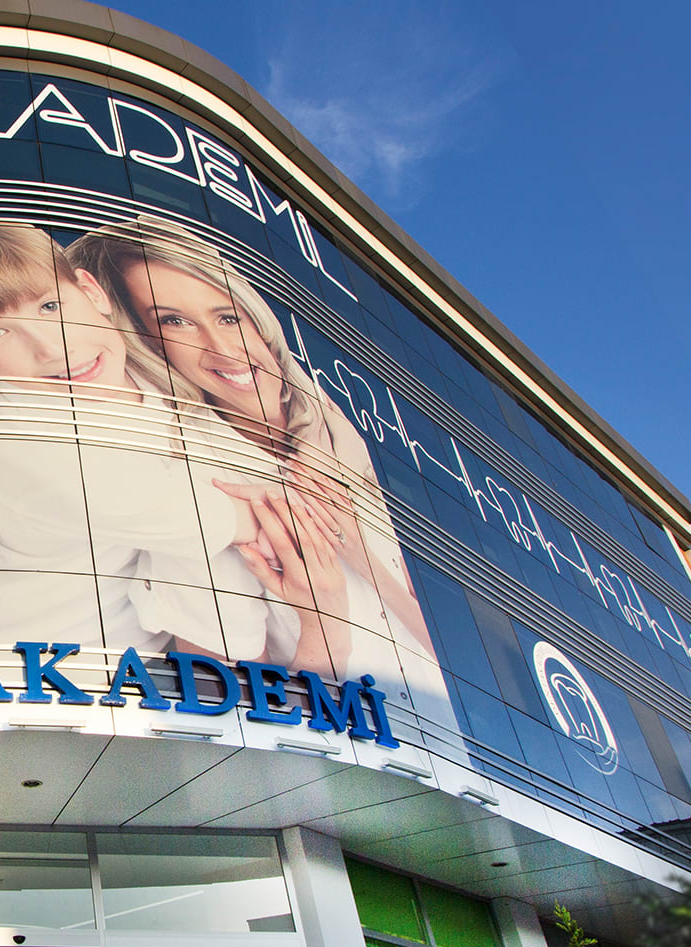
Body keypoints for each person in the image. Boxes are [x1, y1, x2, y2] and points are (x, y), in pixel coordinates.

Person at [0, 218, 275, 679]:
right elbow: (216, 521)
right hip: (41, 682)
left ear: (91, 291)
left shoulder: (143, 365)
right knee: (213, 545)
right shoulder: (11, 441)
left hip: (148, 660)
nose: (52, 348)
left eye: (50, 306)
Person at [68, 216, 444, 698]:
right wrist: (322, 622)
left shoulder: (328, 419)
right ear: (141, 342)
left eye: (227, 315)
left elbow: (457, 658)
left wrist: (356, 549)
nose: (223, 346)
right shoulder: (201, 492)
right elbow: (238, 717)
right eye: (174, 322)